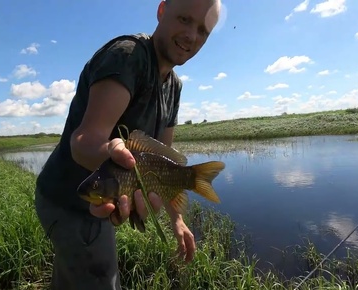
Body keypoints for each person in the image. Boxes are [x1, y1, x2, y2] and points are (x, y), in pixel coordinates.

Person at [34, 0, 221, 289]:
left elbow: (164, 164)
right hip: (69, 201)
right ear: (161, 11)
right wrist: (109, 150)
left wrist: (177, 220)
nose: (192, 36)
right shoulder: (127, 56)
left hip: (103, 203)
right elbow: (85, 140)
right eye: (184, 19)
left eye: (203, 31)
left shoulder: (174, 85)